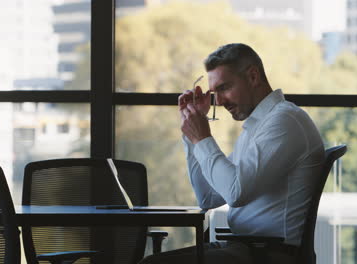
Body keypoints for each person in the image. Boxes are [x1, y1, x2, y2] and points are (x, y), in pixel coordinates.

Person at [139, 43, 325, 263]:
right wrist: (192, 138)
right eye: (214, 92)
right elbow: (208, 196)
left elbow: (236, 193)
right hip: (246, 248)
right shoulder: (258, 126)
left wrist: (202, 138)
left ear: (253, 76)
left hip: (268, 254)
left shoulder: (284, 122)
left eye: (224, 87)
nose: (219, 100)